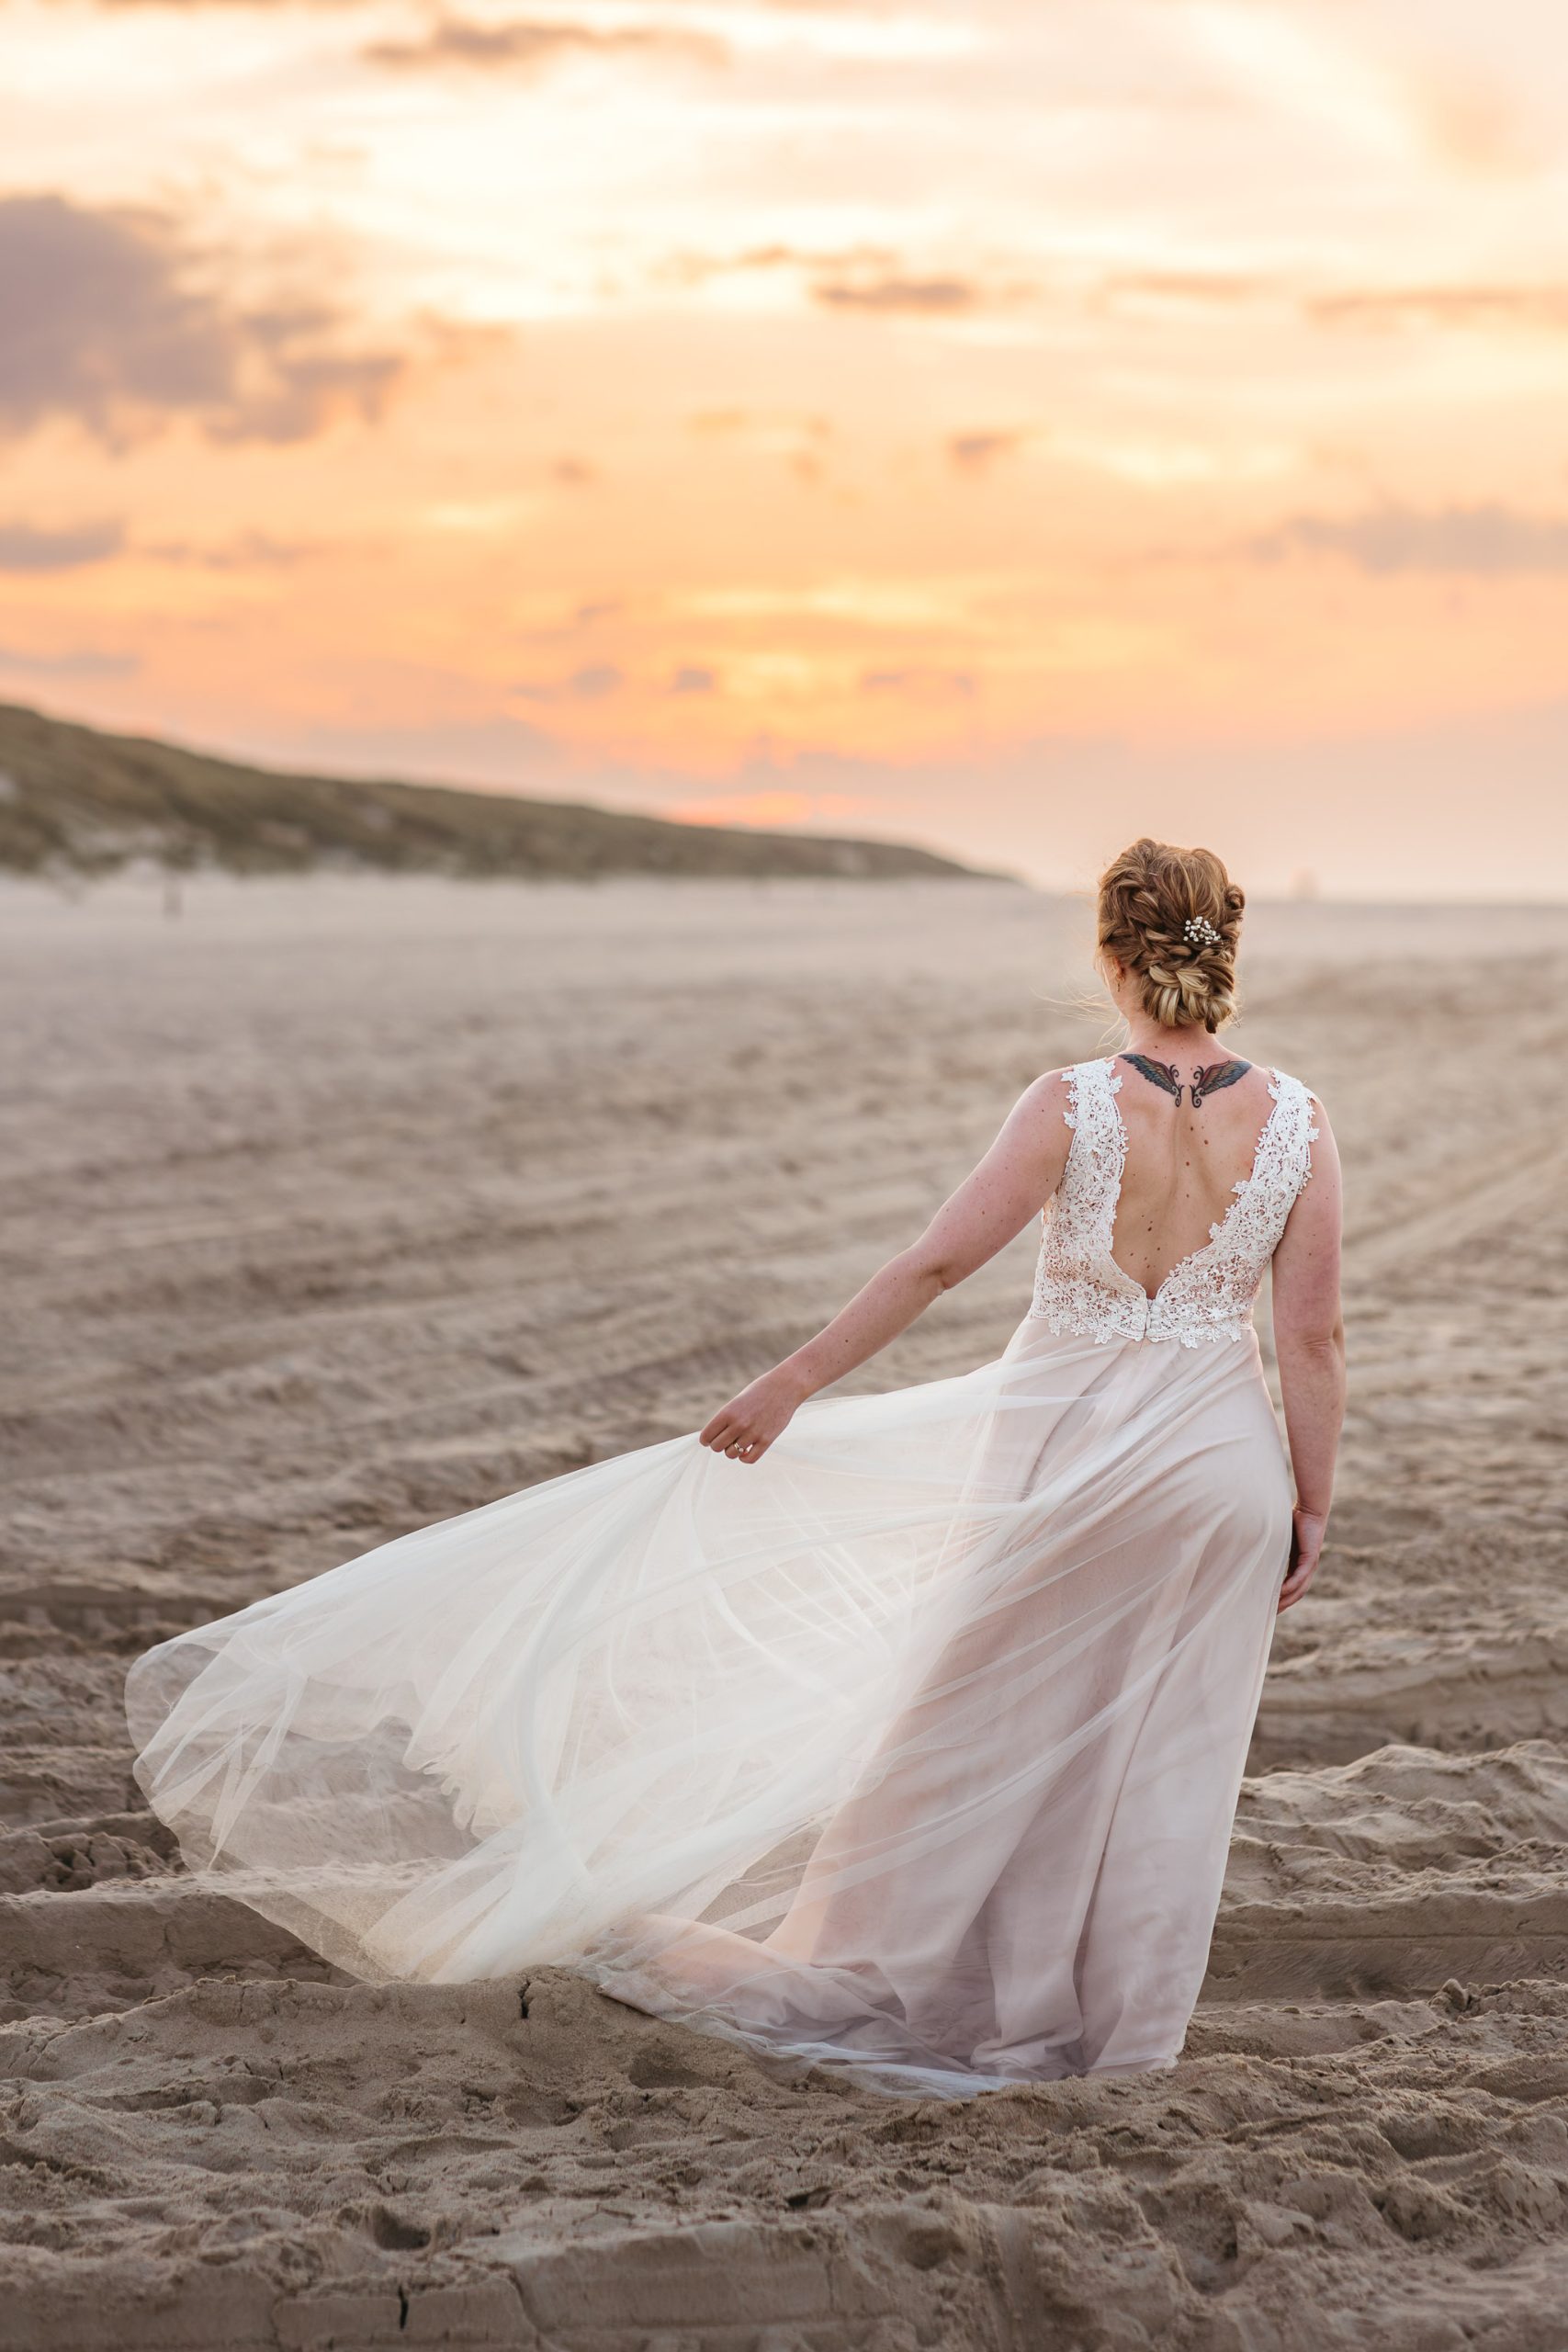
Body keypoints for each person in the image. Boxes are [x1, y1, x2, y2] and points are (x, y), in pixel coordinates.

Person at [127, 836, 1344, 2097]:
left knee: (966, 1729)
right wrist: (1308, 1497)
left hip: (1060, 1466)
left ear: (1109, 955)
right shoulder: (1300, 1121)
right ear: (1224, 953)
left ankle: (902, 1972)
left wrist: (793, 1384)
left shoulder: (1072, 1105)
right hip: (1221, 1474)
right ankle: (1122, 2039)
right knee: (1163, 1758)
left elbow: (932, 1268)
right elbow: (1310, 1336)